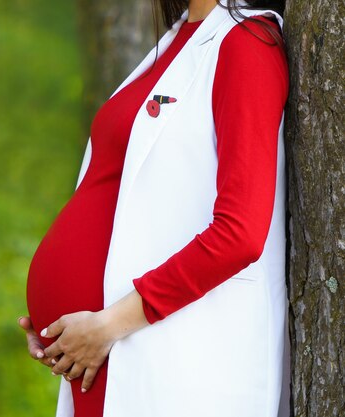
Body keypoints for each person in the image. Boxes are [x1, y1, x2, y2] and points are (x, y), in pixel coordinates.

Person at [20, 0, 290, 416]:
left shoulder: (248, 45)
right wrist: (56, 324)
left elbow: (241, 234)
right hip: (102, 356)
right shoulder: (180, 38)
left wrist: (107, 324)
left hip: (165, 357)